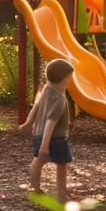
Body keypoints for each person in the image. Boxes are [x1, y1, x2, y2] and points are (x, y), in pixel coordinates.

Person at [19, 58, 75, 203]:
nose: (69, 81)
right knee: (62, 164)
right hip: (55, 139)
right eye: (67, 78)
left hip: (39, 134)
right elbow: (51, 122)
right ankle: (61, 194)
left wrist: (27, 123)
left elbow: (36, 108)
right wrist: (45, 146)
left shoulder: (47, 90)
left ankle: (36, 188)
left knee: (38, 161)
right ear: (63, 79)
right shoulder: (59, 100)